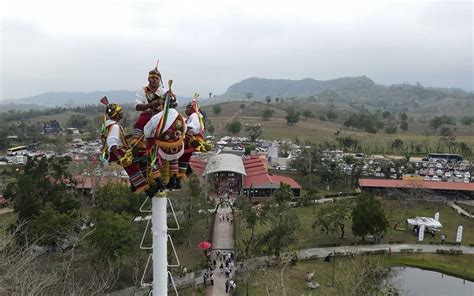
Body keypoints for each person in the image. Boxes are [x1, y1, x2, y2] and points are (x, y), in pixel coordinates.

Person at [99, 97, 157, 197]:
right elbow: (112, 142)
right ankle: (144, 188)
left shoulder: (109, 125)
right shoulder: (115, 127)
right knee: (132, 167)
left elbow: (114, 138)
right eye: (120, 111)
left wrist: (129, 136)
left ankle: (136, 184)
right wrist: (120, 157)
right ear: (115, 114)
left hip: (114, 151)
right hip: (117, 152)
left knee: (138, 159)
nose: (122, 112)